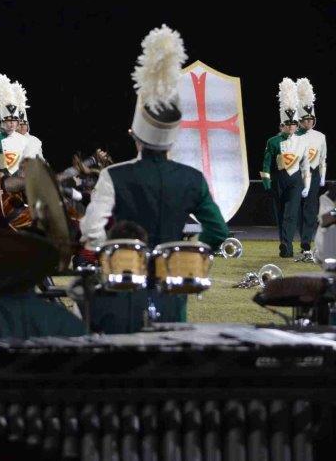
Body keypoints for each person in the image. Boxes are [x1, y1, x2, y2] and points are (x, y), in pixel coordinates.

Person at [80, 25, 228, 334]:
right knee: (170, 349)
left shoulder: (113, 175)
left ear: (136, 136)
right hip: (172, 288)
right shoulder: (192, 178)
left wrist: (110, 253)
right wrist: (185, 258)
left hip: (124, 285)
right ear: (172, 140)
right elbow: (218, 229)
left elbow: (91, 227)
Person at [261, 78, 311, 258]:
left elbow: (305, 164)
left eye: (293, 124)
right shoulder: (273, 141)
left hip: (295, 180)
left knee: (291, 214)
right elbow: (266, 163)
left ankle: (286, 245)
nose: (291, 127)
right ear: (282, 125)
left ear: (296, 125)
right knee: (281, 214)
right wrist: (267, 183)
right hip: (278, 180)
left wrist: (307, 184)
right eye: (287, 124)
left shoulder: (302, 141)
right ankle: (285, 245)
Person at [294, 78, 327, 261]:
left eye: (310, 119)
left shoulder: (320, 136)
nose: (308, 122)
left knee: (310, 209)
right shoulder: (293, 135)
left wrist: (322, 177)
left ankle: (306, 242)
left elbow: (323, 158)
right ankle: (301, 238)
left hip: (312, 174)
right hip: (296, 174)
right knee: (296, 209)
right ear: (300, 120)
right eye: (305, 119)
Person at [0, 74, 31, 175]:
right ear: (3, 121)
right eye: (8, 120)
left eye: (14, 120)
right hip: (1, 180)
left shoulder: (24, 140)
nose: (12, 123)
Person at [12, 80, 44, 160]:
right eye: (20, 124)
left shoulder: (35, 141)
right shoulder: (8, 141)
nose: (22, 126)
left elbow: (41, 160)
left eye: (24, 123)